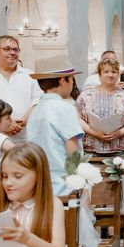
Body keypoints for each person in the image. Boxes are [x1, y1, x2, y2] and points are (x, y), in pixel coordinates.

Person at [27, 54, 85, 196]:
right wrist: (80, 180)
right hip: (63, 184)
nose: (72, 84)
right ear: (62, 80)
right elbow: (72, 149)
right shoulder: (64, 108)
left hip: (40, 181)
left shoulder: (35, 110)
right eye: (71, 79)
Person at [76, 58, 124, 155]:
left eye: (114, 72)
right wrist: (95, 133)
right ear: (99, 74)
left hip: (120, 151)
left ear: (118, 74)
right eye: (106, 72)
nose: (110, 75)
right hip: (91, 150)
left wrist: (119, 133)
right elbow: (77, 118)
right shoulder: (86, 95)